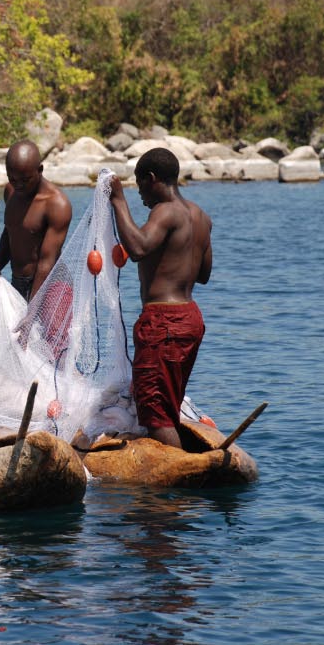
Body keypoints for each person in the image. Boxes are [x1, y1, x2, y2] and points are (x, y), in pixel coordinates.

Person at [108, 148, 212, 449]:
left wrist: (117, 200)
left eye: (139, 185)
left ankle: (174, 492)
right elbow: (203, 274)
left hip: (163, 323)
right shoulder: (201, 217)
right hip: (190, 318)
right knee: (167, 405)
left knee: (155, 415)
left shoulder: (166, 211)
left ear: (151, 179)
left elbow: (139, 247)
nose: (139, 193)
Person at [0, 139, 72, 301]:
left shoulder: (57, 204)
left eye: (25, 180)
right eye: (13, 179)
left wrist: (32, 307)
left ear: (40, 170)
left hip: (52, 286)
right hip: (18, 283)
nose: (19, 185)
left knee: (38, 326)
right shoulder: (10, 192)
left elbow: (47, 261)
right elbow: (11, 230)